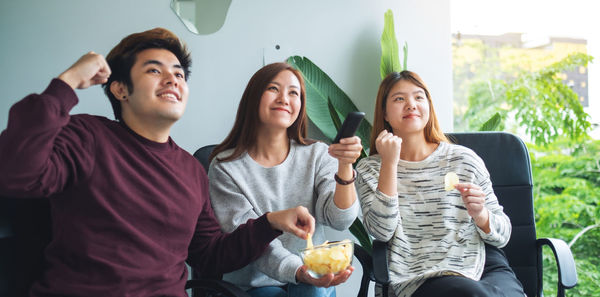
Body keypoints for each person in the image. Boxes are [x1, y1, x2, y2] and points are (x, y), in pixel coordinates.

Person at [0, 28, 316, 297]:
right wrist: (66, 83)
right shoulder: (88, 135)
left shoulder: (191, 170)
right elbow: (17, 172)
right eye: (155, 70)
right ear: (120, 89)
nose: (172, 80)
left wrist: (269, 223)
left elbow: (209, 254)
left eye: (178, 74)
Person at [355, 71, 525, 297]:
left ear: (429, 106)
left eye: (418, 97)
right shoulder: (370, 169)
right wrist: (389, 163)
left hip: (482, 263)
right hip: (419, 274)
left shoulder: (465, 159)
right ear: (384, 112)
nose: (411, 105)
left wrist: (481, 214)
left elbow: (502, 235)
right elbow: (382, 232)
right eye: (399, 99)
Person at [207, 62, 362, 297]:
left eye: (293, 92)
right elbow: (250, 243)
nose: (284, 98)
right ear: (253, 97)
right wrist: (299, 271)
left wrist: (345, 165)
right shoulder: (225, 167)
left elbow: (340, 220)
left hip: (312, 279)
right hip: (254, 285)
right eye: (273, 89)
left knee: (313, 293)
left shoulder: (317, 154)